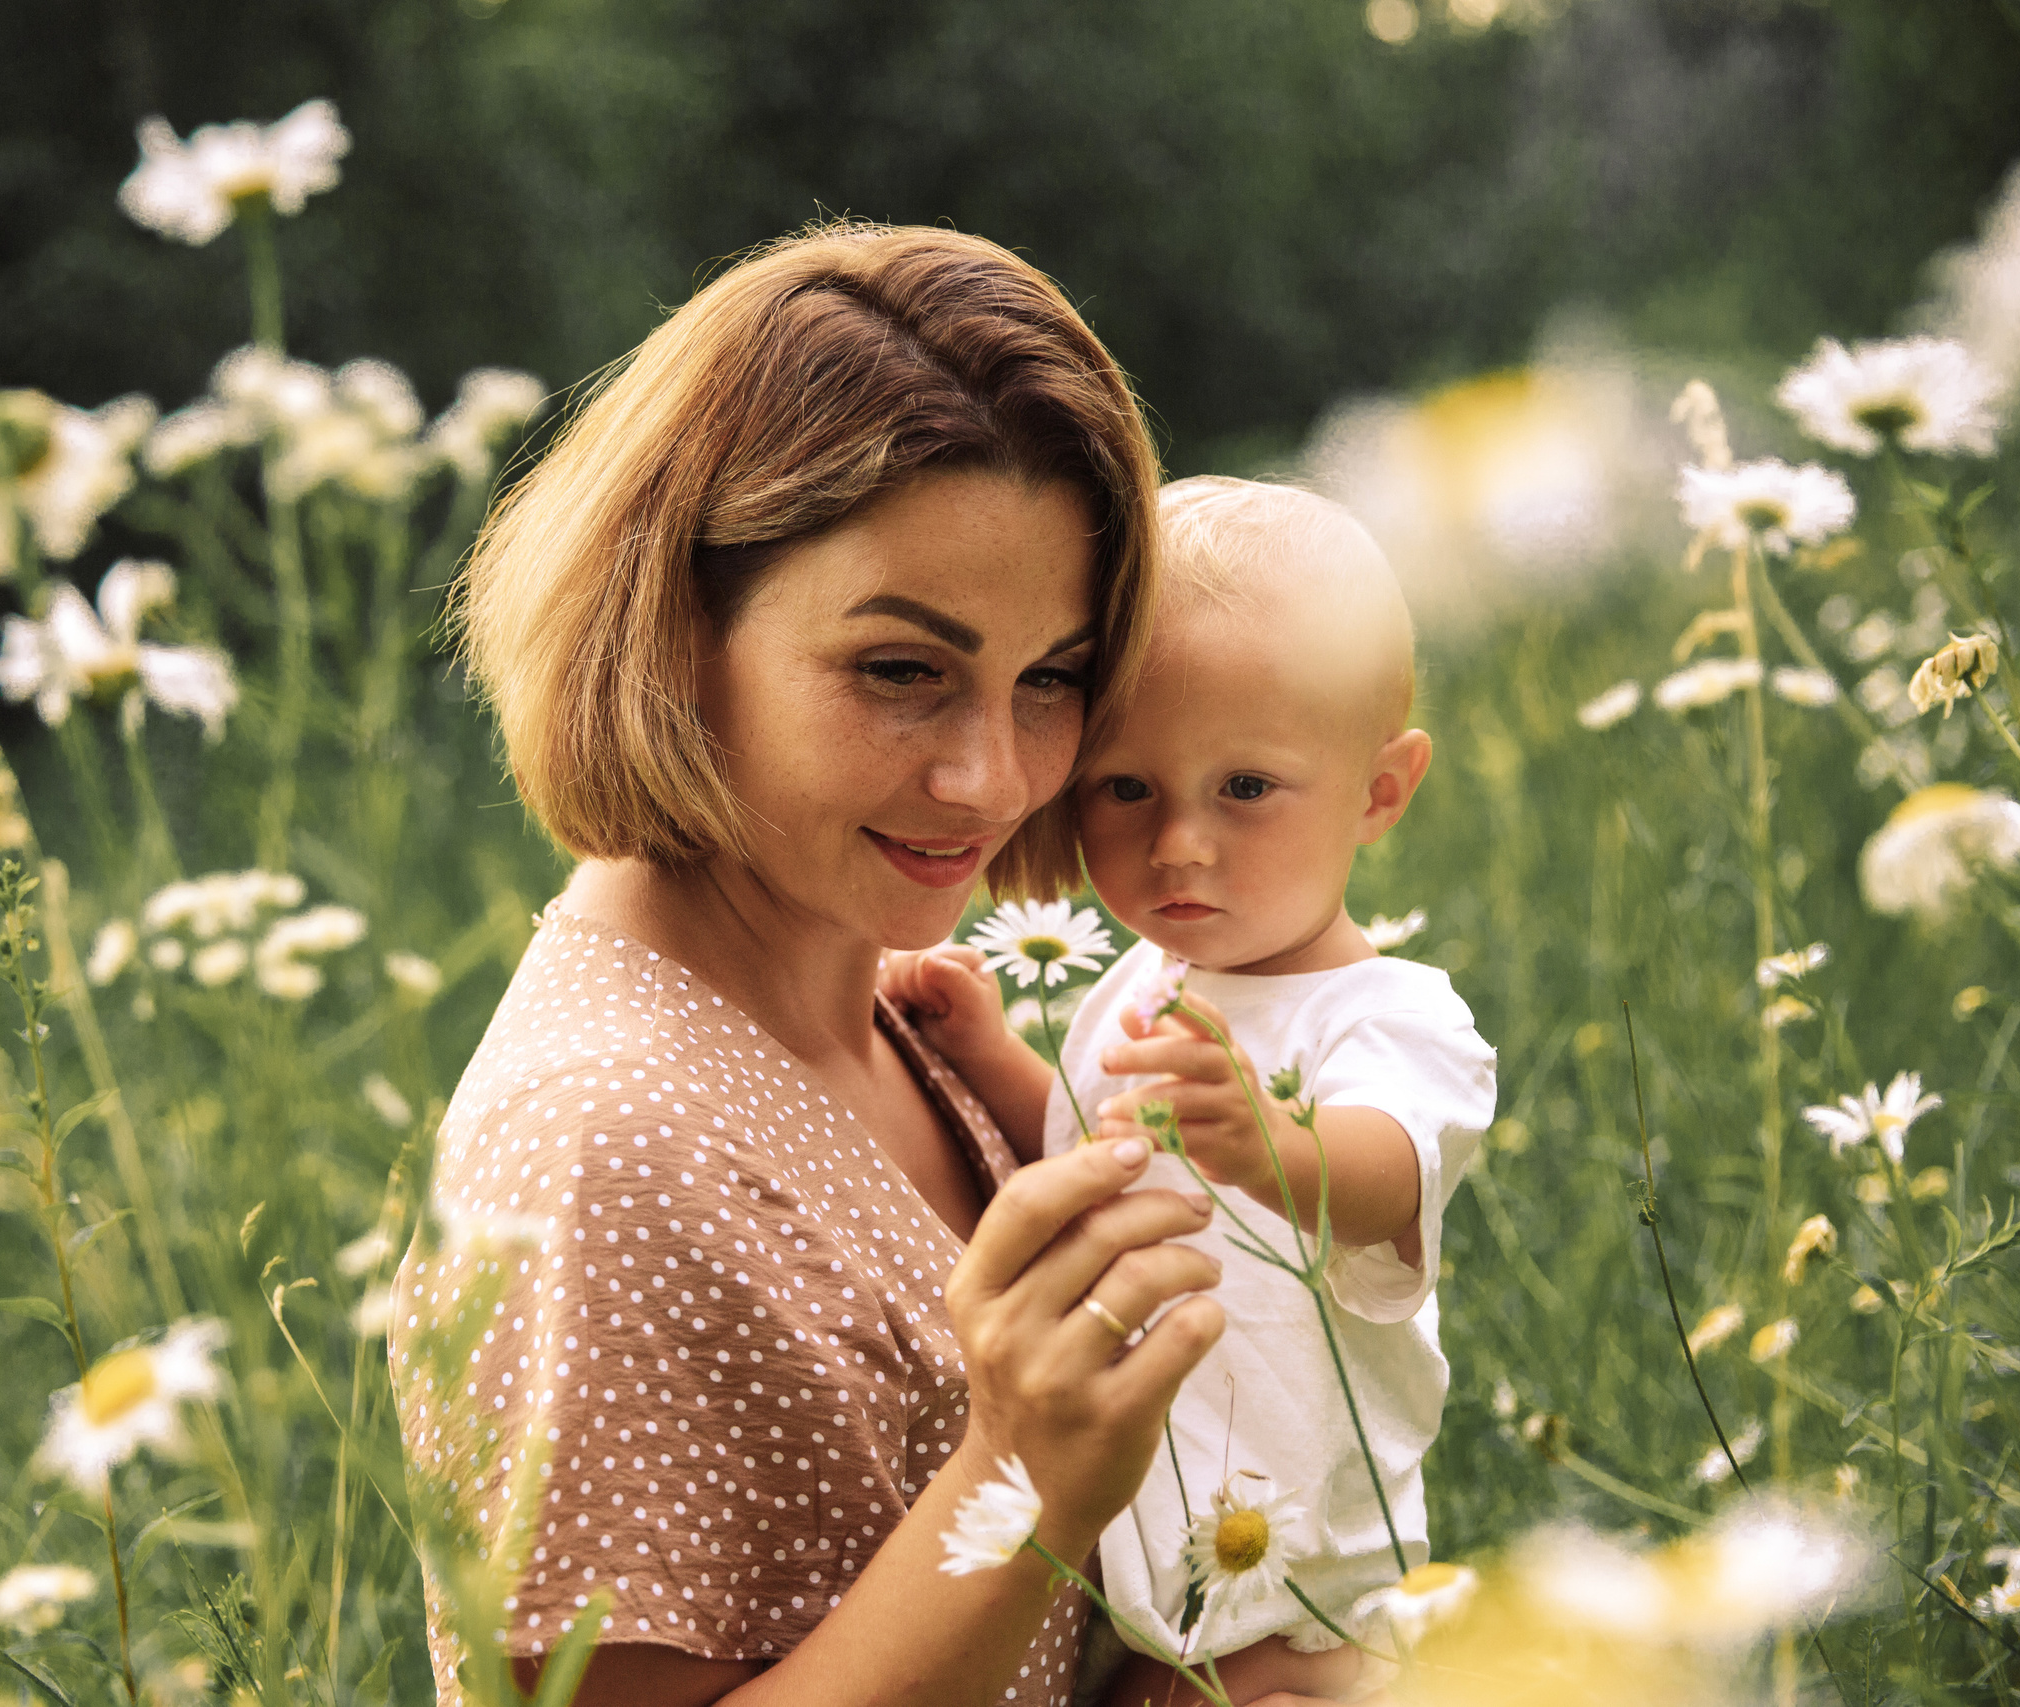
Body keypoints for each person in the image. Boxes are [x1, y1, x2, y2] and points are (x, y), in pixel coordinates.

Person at [391, 224, 1245, 1707]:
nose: (990, 778)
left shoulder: (888, 1007)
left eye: (1049, 675)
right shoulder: (603, 1140)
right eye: (901, 669)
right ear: (676, 627)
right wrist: (1023, 1476)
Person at [883, 477, 1497, 1705]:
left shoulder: (1386, 1017)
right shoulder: (1145, 979)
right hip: (1143, 1593)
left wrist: (1269, 1144)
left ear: (1380, 790)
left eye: (1245, 790)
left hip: (1300, 1620)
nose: (1178, 845)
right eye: (1126, 790)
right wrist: (992, 1055)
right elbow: (1094, 1147)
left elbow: (1387, 1179)